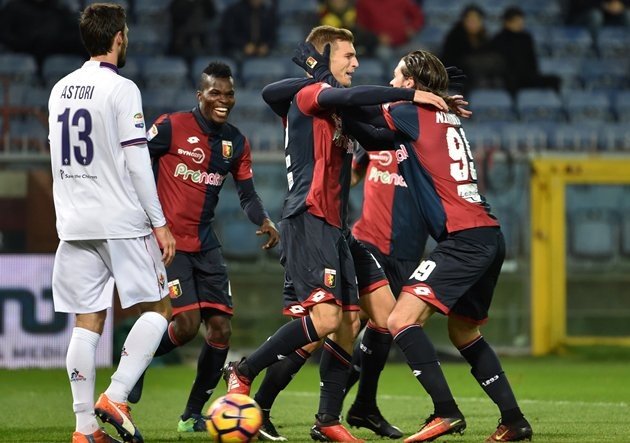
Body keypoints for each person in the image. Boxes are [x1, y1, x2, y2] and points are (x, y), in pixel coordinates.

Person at [222, 25, 450, 442]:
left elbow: (379, 136)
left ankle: (329, 419)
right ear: (326, 58)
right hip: (309, 219)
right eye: (348, 55)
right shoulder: (311, 95)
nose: (357, 63)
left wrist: (432, 118)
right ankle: (244, 370)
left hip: (338, 229)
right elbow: (342, 96)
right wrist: (407, 95)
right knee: (326, 319)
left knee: (367, 319)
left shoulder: (338, 111)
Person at [340, 49, 533, 442]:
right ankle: (514, 420)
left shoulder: (409, 111)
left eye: (397, 77)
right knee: (463, 333)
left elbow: (358, 109)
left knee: (399, 320)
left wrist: (327, 102)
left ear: (410, 84)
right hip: (488, 234)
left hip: (463, 239)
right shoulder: (442, 117)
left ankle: (445, 411)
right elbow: (374, 137)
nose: (391, 84)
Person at [126, 61, 280, 433]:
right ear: (200, 95)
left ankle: (191, 415)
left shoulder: (235, 142)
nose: (223, 100)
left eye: (229, 94)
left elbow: (247, 194)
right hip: (169, 243)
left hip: (206, 243)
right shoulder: (170, 126)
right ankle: (135, 362)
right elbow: (134, 165)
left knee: (221, 330)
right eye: (215, 93)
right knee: (186, 325)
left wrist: (264, 219)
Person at [47, 4, 176, 443]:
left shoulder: (59, 89)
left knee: (87, 322)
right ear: (119, 37)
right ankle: (116, 395)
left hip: (74, 221)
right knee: (159, 309)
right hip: (120, 219)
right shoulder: (122, 89)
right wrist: (159, 222)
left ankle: (84, 427)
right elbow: (137, 162)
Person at [490, 6, 561, 95]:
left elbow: (532, 60)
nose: (520, 24)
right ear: (507, 22)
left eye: (521, 21)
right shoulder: (499, 39)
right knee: (510, 82)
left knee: (554, 80)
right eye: (516, 21)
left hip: (528, 76)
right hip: (509, 78)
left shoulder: (526, 38)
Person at [441, 4, 504, 92]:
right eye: (470, 20)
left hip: (481, 79)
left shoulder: (484, 37)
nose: (473, 23)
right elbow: (452, 62)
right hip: (459, 79)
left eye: (476, 20)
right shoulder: (454, 37)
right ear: (464, 20)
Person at [355, 0, 424, 59]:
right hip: (381, 46)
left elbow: (418, 16)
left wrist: (413, 28)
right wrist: (377, 38)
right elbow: (361, 28)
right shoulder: (364, 2)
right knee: (384, 54)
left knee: (421, 52)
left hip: (405, 42)